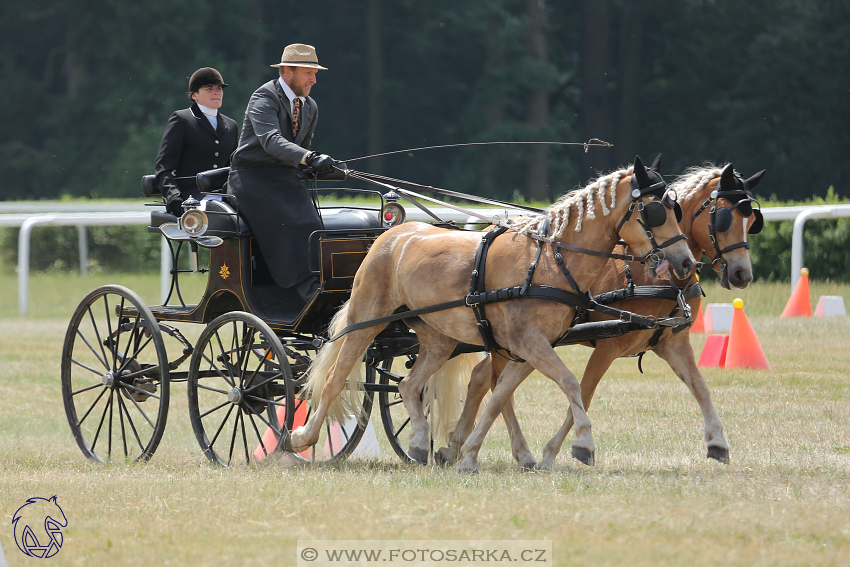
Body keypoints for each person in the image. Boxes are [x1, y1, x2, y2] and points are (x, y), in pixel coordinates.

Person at [227, 43, 339, 302]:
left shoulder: (309, 106)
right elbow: (272, 140)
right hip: (251, 178)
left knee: (313, 225)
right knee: (290, 223)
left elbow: (301, 152)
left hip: (284, 179)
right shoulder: (264, 97)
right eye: (308, 72)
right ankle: (304, 288)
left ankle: (322, 282)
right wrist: (310, 157)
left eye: (315, 73)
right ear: (287, 70)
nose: (313, 79)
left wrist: (320, 166)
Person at [154, 67, 239, 216]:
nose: (216, 92)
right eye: (209, 89)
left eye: (219, 88)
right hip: (192, 198)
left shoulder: (231, 126)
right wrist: (174, 198)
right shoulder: (182, 120)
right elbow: (163, 168)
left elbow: (235, 169)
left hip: (226, 198)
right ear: (195, 95)